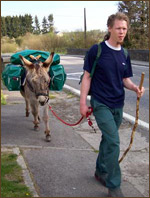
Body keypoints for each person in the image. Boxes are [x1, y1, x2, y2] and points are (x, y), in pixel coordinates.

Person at [80, 12, 145, 197]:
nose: (122, 32)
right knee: (114, 142)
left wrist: (135, 89)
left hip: (118, 104)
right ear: (109, 28)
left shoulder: (125, 53)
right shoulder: (97, 50)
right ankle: (114, 186)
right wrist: (83, 103)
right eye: (118, 28)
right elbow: (87, 77)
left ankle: (100, 171)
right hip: (101, 103)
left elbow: (125, 79)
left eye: (124, 28)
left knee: (108, 140)